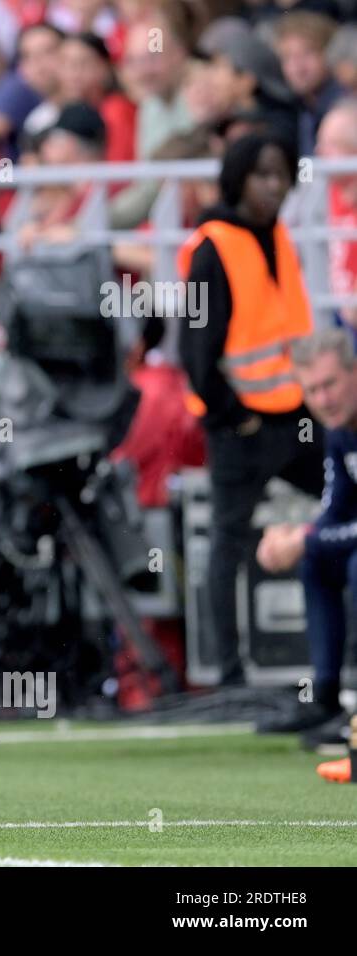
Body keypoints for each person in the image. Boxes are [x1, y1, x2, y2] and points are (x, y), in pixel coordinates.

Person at [177, 132, 323, 686]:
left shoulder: (279, 236)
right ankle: (230, 674)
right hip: (242, 425)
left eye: (281, 174)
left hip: (296, 415)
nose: (274, 185)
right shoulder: (213, 245)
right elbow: (196, 348)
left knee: (344, 506)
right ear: (238, 179)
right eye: (262, 174)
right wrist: (234, 416)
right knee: (227, 543)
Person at [256, 329, 356, 744]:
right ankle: (326, 699)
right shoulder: (338, 432)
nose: (323, 399)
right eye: (312, 390)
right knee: (319, 560)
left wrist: (304, 539)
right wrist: (297, 537)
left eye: (330, 383)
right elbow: (336, 511)